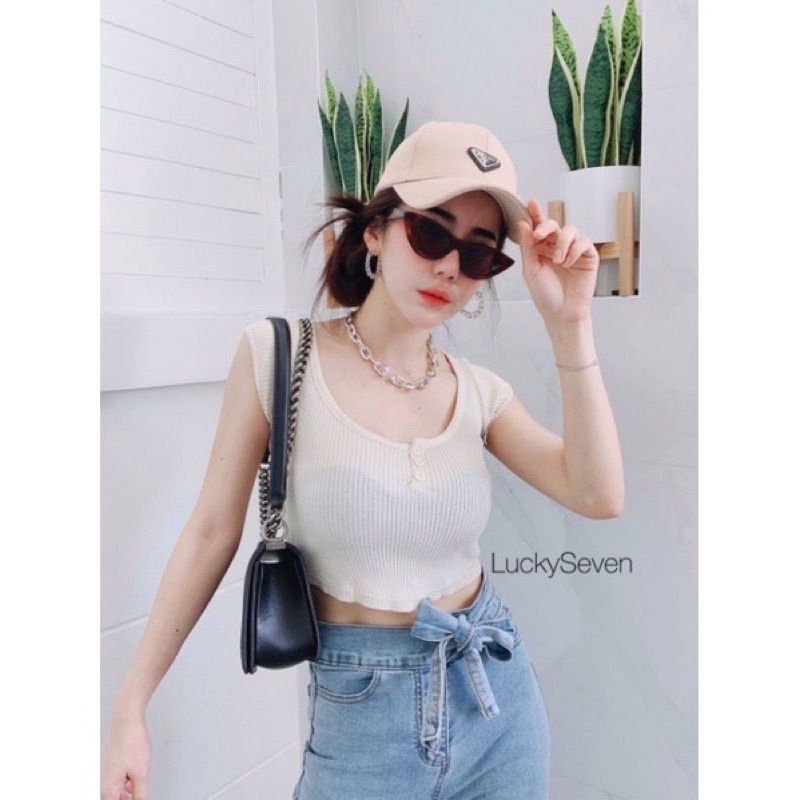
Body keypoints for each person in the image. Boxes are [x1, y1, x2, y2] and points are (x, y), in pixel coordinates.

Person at [101, 120, 624, 800]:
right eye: (431, 233)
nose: (449, 267)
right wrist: (131, 705)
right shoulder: (278, 355)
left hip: (494, 696)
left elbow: (598, 495)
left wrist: (571, 324)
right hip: (363, 717)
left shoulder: (480, 394)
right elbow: (210, 532)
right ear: (376, 231)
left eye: (478, 254)